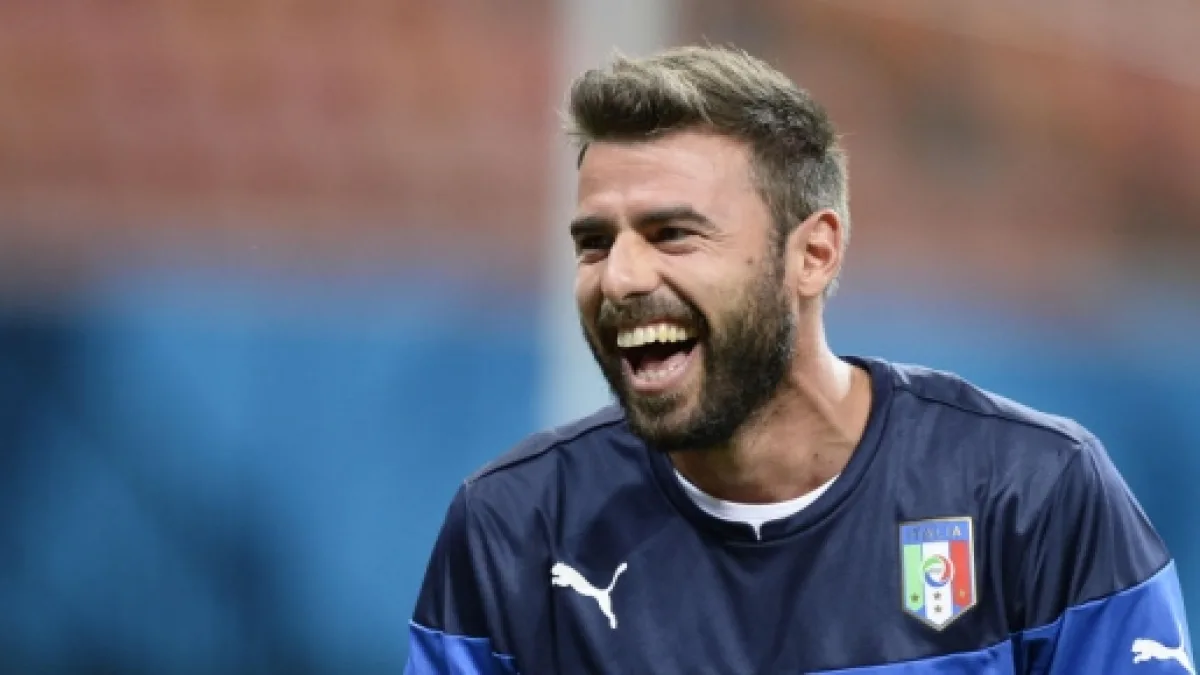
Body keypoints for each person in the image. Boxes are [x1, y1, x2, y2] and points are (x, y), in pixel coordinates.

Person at [403, 45, 1192, 674]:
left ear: (812, 254)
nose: (621, 278)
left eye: (673, 234)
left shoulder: (1033, 495)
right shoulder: (515, 531)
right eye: (595, 243)